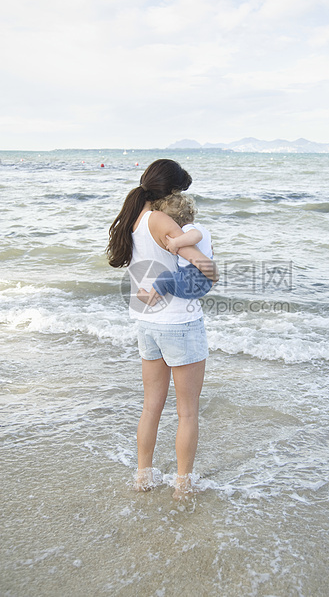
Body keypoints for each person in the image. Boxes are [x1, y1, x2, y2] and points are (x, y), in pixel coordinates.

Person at [107, 159, 218, 499]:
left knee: (151, 406)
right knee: (187, 411)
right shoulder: (161, 220)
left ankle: (143, 477)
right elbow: (205, 269)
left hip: (148, 323)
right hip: (179, 323)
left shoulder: (135, 218)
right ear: (170, 191)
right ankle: (182, 486)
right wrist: (207, 264)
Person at [136, 192, 213, 307]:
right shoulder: (203, 229)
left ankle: (151, 298)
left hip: (191, 280)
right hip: (205, 282)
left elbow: (196, 236)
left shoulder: (187, 229)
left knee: (164, 278)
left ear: (173, 222)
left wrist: (175, 243)